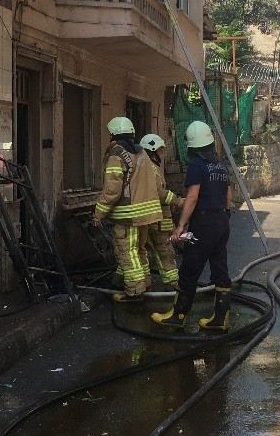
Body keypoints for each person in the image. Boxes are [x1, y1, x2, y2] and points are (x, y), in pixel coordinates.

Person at [152, 121, 233, 331]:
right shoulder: (220, 165)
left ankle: (178, 315)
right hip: (222, 221)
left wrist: (181, 225)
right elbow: (228, 195)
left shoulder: (197, 165)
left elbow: (193, 197)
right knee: (220, 268)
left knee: (189, 268)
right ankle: (221, 319)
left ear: (192, 146)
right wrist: (224, 216)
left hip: (203, 224)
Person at [94, 117, 163, 303]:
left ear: (113, 134)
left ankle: (134, 291)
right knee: (140, 250)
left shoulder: (117, 154)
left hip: (127, 215)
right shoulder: (142, 152)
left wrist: (99, 213)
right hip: (147, 213)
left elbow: (112, 190)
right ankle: (145, 282)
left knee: (128, 252)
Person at [138, 134, 183, 287]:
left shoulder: (149, 167)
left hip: (152, 218)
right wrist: (178, 201)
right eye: (160, 150)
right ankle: (172, 286)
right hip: (157, 219)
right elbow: (158, 192)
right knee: (165, 251)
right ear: (152, 151)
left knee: (140, 251)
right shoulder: (150, 168)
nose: (162, 153)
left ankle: (142, 283)